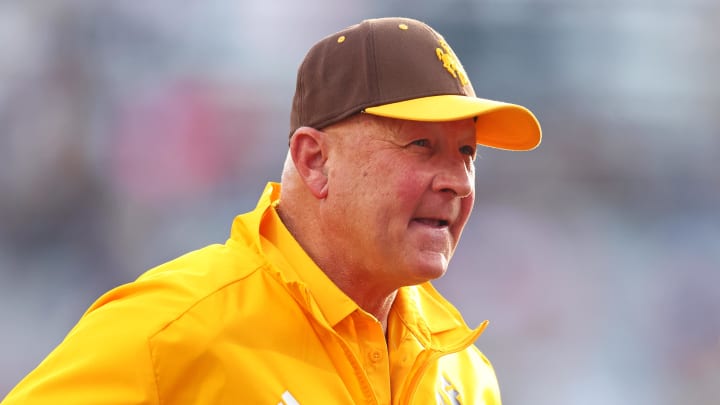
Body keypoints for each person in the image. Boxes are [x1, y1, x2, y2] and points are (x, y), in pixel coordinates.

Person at [1, 17, 540, 405]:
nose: (456, 181)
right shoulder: (173, 333)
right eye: (421, 145)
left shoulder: (462, 372)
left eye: (466, 152)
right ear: (314, 160)